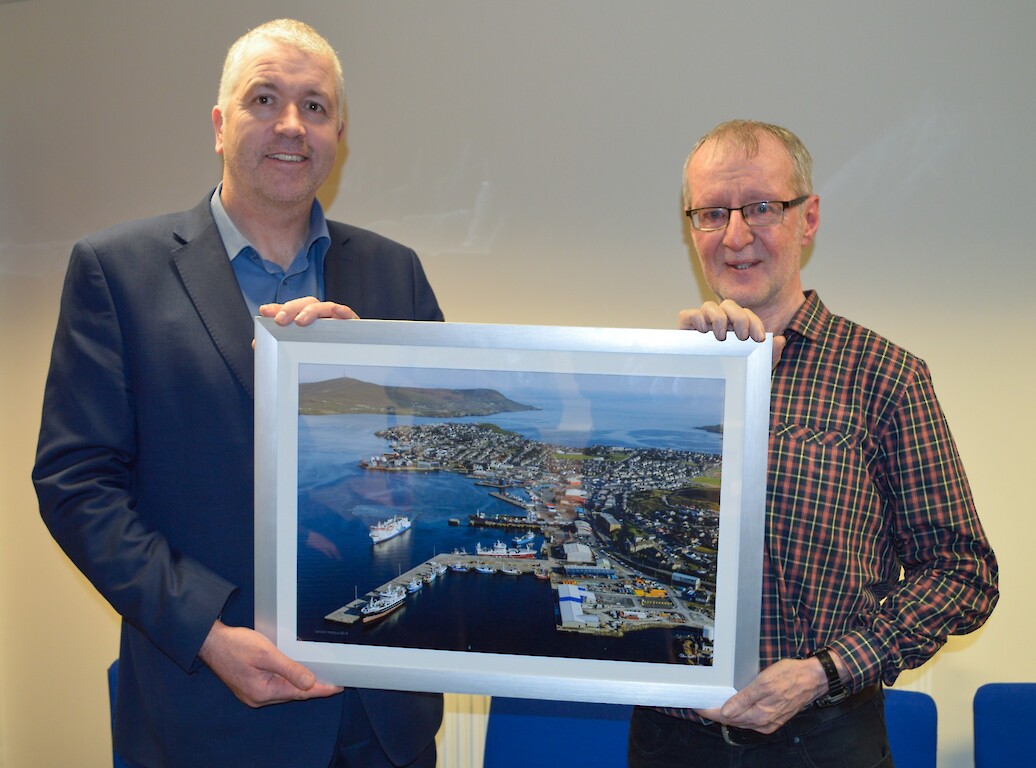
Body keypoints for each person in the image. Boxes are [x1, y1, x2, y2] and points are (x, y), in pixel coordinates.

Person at [33, 19, 443, 768]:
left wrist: (376, 385)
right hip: (207, 715)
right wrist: (207, 632)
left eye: (315, 107)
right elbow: (76, 486)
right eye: (265, 99)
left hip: (382, 724)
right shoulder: (117, 274)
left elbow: (436, 462)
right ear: (220, 126)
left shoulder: (395, 275)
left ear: (338, 134)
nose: (292, 125)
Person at [627, 120, 999, 767]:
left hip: (824, 742)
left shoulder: (886, 378)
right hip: (669, 743)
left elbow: (963, 572)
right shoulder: (661, 379)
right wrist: (676, 382)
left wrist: (827, 669)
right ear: (692, 228)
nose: (736, 236)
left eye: (762, 208)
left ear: (809, 216)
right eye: (713, 213)